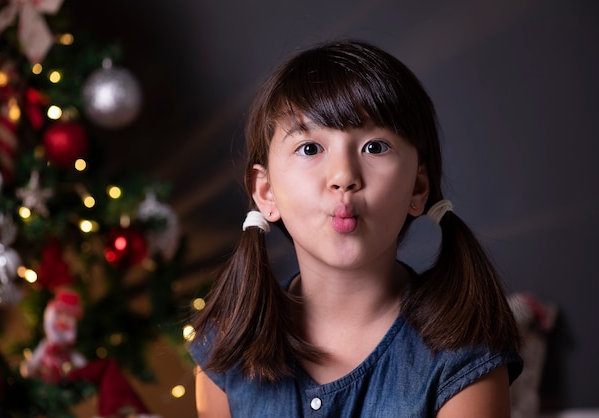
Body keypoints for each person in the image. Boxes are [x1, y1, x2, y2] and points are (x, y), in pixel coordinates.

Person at [189, 39, 523, 417]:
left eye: (375, 147)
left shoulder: (464, 358)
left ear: (418, 187)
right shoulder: (225, 353)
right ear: (266, 192)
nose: (344, 177)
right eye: (310, 149)